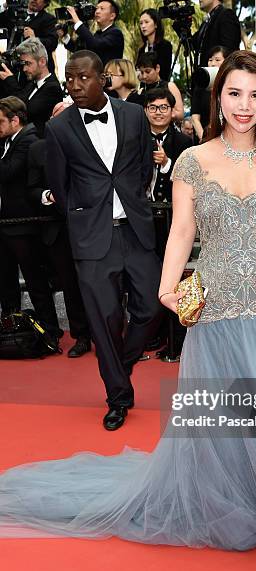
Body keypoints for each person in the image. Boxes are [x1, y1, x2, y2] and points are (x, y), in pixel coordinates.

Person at [0, 52, 256, 571]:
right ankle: (245, 506)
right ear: (219, 98)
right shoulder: (193, 160)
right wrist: (168, 287)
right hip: (214, 309)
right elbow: (183, 230)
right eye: (235, 93)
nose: (245, 105)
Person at [45, 50, 162, 430]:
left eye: (83, 78)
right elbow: (60, 188)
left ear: (104, 79)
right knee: (105, 319)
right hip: (92, 238)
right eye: (69, 78)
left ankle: (119, 363)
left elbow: (144, 166)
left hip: (135, 228)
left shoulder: (133, 114)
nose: (75, 85)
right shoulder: (58, 129)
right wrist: (85, 216)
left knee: (150, 308)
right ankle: (118, 395)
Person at [0, 96, 61, 340]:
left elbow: (8, 172)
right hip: (6, 224)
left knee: (35, 281)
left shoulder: (29, 140)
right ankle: (10, 327)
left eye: (1, 121)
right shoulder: (7, 141)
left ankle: (50, 328)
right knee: (6, 282)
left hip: (24, 224)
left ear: (15, 120)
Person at [27, 131, 92, 358]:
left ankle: (108, 335)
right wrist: (49, 195)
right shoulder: (38, 150)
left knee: (100, 282)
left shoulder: (91, 141)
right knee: (70, 286)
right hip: (58, 228)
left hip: (94, 225)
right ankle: (82, 337)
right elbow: (32, 188)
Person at [0, 37, 63, 137]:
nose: (24, 69)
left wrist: (10, 81)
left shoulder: (52, 87)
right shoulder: (31, 84)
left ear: (42, 62)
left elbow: (25, 110)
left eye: (28, 64)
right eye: (23, 64)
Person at [144, 88, 192, 203]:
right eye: (152, 108)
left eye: (164, 108)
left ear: (172, 111)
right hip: (140, 209)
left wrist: (166, 163)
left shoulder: (184, 142)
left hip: (171, 209)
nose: (158, 112)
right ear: (145, 111)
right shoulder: (135, 139)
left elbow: (187, 181)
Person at [58, 0, 124, 67]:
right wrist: (64, 36)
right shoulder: (98, 33)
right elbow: (81, 51)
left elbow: (95, 45)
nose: (97, 11)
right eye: (97, 8)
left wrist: (77, 21)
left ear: (112, 16)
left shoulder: (116, 33)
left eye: (102, 9)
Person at [0, 0, 58, 72]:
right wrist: (5, 5)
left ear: (45, 3)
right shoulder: (12, 13)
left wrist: (35, 39)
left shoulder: (49, 19)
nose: (34, 0)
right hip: (12, 67)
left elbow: (53, 43)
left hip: (35, 69)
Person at [191, 45, 229, 142]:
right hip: (203, 139)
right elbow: (195, 117)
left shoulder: (231, 85)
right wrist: (203, 137)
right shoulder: (200, 86)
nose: (212, 64)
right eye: (210, 60)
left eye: (217, 60)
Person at [135, 51, 184, 121]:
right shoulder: (141, 90)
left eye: (148, 71)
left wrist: (159, 113)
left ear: (157, 68)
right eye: (142, 72)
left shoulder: (169, 86)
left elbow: (180, 114)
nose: (144, 76)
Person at [193, 0, 241, 69]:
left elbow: (230, 52)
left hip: (219, 76)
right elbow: (192, 45)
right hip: (204, 76)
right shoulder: (206, 22)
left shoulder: (226, 15)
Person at [137, 8, 172, 82]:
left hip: (160, 89)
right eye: (141, 23)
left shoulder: (165, 46)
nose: (143, 26)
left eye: (146, 22)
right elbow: (138, 72)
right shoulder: (142, 50)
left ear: (156, 24)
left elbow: (165, 73)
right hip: (144, 90)